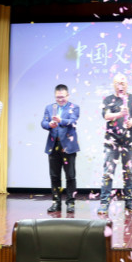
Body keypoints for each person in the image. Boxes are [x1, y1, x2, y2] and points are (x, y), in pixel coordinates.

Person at [98, 73, 132, 215]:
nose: (120, 86)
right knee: (108, 173)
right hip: (112, 141)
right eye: (117, 83)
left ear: (127, 84)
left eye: (123, 83)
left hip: (129, 141)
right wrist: (120, 114)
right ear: (113, 85)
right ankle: (104, 203)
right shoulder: (108, 99)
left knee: (129, 173)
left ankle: (130, 202)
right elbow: (106, 116)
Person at [41, 84, 80, 213]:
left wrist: (60, 120)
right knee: (54, 176)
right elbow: (43, 122)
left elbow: (73, 121)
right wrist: (49, 124)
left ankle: (70, 203)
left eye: (62, 97)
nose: (60, 100)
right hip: (53, 146)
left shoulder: (74, 107)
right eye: (58, 97)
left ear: (68, 95)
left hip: (68, 146)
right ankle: (56, 203)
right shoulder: (49, 107)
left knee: (70, 176)